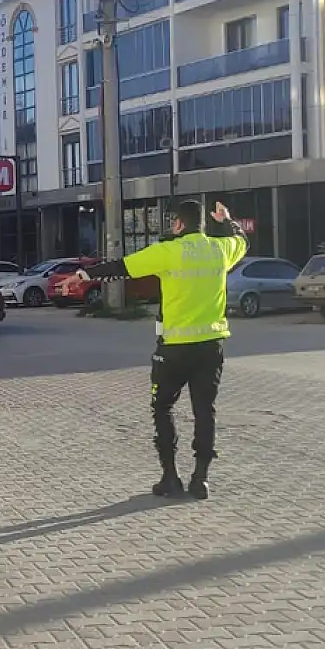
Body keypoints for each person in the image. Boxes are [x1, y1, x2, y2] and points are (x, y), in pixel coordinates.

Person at [74, 200, 246, 500]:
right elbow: (242, 240)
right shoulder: (220, 250)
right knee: (205, 410)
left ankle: (170, 477)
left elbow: (121, 268)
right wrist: (227, 220)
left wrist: (81, 276)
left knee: (163, 408)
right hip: (211, 347)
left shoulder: (168, 252)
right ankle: (201, 479)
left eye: (173, 222)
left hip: (174, 350)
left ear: (179, 224)